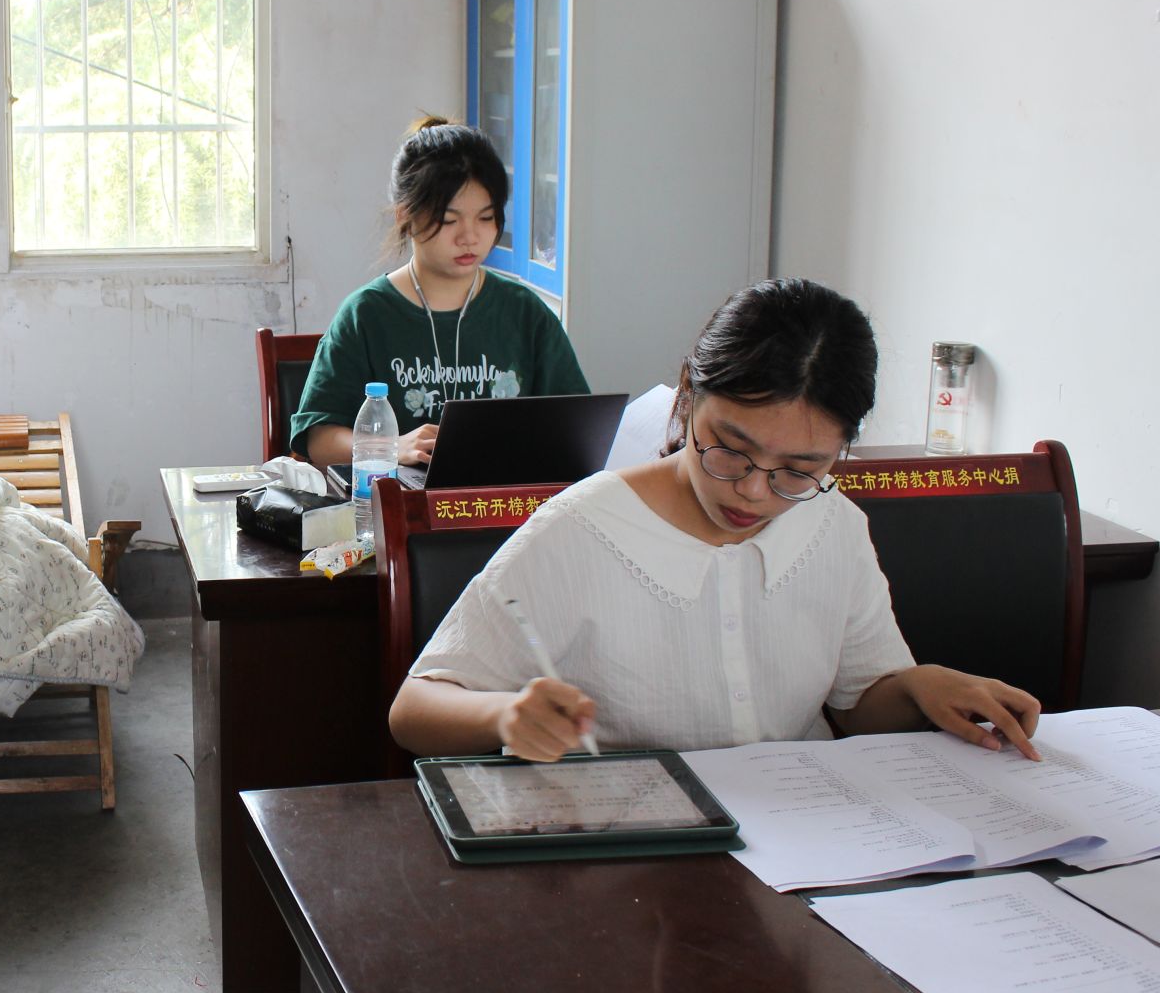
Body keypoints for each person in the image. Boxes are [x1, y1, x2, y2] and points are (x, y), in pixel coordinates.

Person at [387, 277, 1042, 762]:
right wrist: (505, 715)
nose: (754, 492)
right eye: (730, 448)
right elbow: (414, 709)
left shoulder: (832, 524)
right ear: (687, 396)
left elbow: (857, 704)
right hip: (642, 856)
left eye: (799, 468)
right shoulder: (582, 529)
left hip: (806, 838)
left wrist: (919, 687)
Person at [287, 118, 589, 466]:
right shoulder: (366, 315)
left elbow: (580, 426)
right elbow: (319, 439)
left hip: (504, 497)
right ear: (405, 216)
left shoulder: (524, 312)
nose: (469, 237)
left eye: (486, 218)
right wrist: (390, 446)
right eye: (449, 220)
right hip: (399, 498)